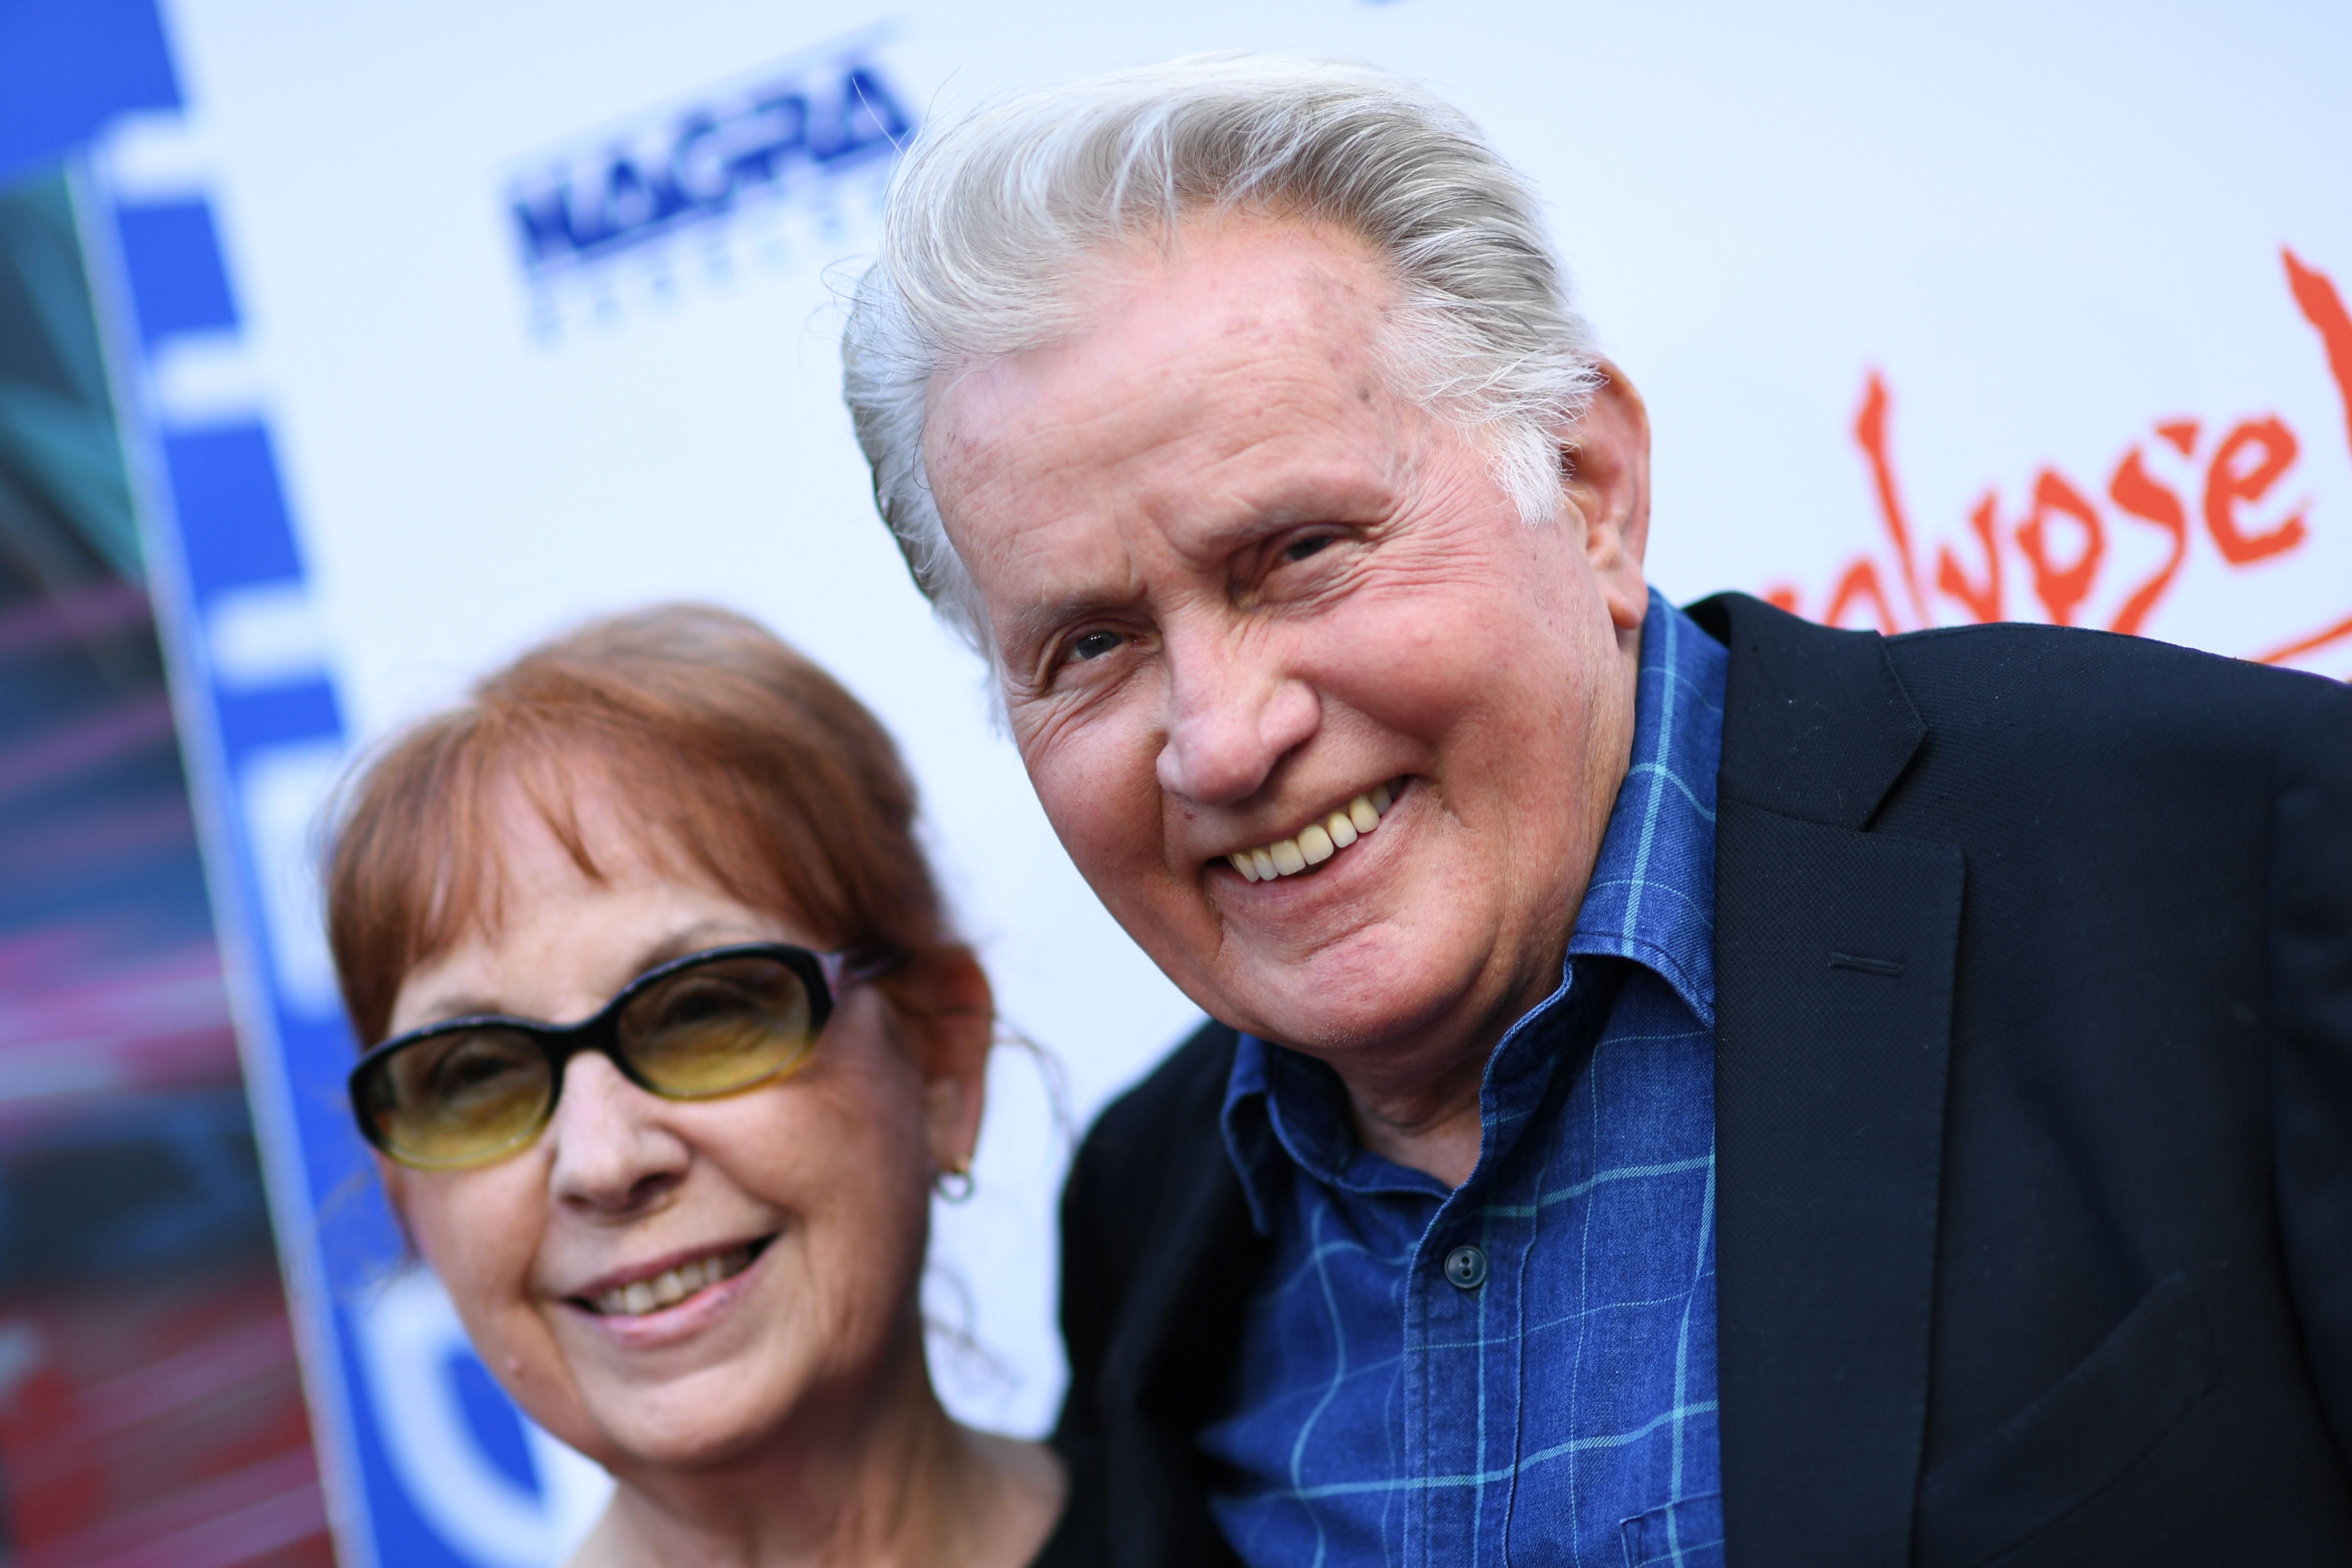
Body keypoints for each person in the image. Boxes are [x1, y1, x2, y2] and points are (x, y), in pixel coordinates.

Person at [841, 54, 2352, 1567]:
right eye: (1089, 646)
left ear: (1587, 488)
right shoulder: (1144, 1217)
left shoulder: (2219, 853)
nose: (1224, 743)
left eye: (1299, 551)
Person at [325, 606, 1069, 1567]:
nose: (602, 1161)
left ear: (941, 1057)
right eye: (475, 1075)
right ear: (406, 1194)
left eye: (701, 1014)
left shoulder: (1260, 1530)